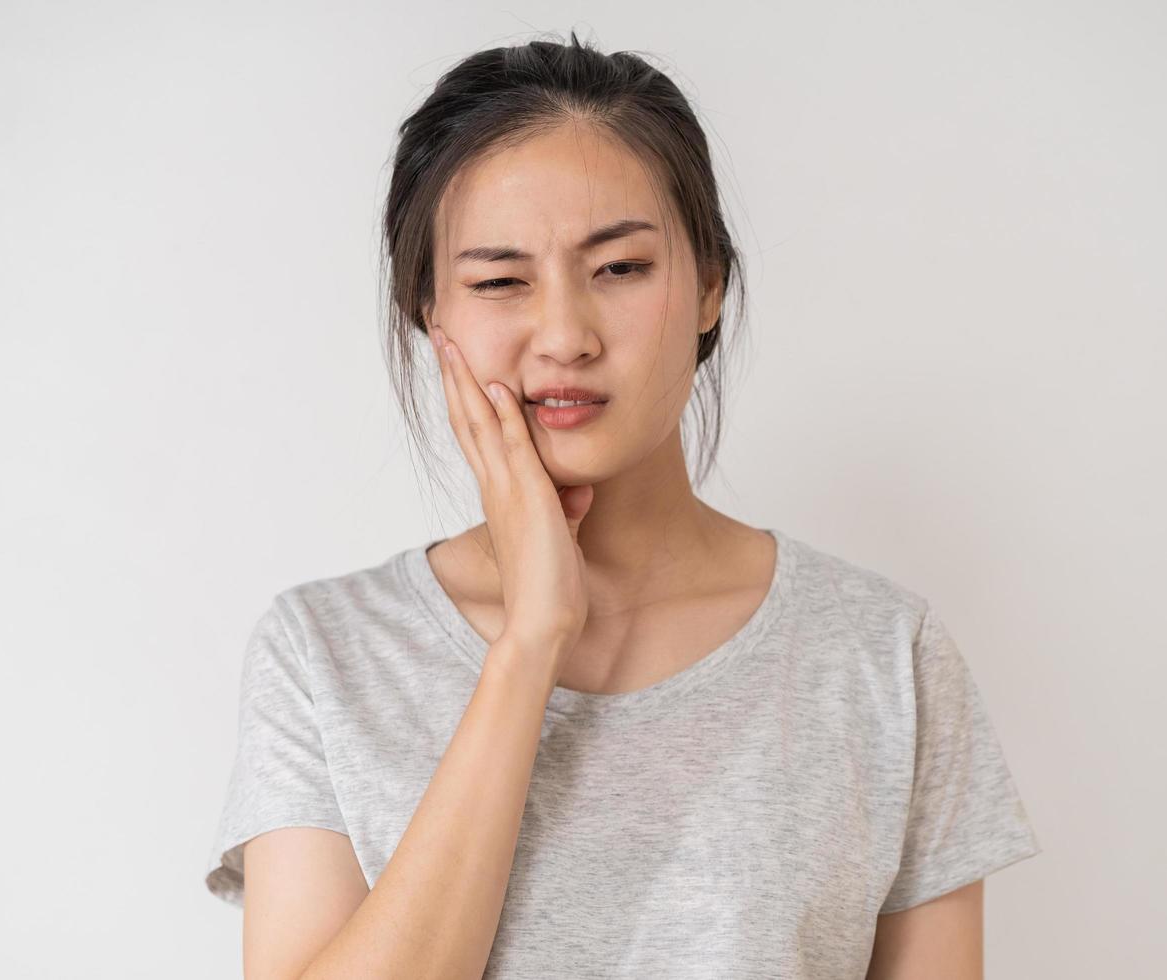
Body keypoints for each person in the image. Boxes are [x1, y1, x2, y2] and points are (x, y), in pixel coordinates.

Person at [203, 31, 1041, 980]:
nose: (564, 335)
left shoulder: (884, 655)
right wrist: (531, 642)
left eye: (620, 268)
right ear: (432, 317)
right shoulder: (325, 654)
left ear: (710, 286)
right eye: (499, 282)